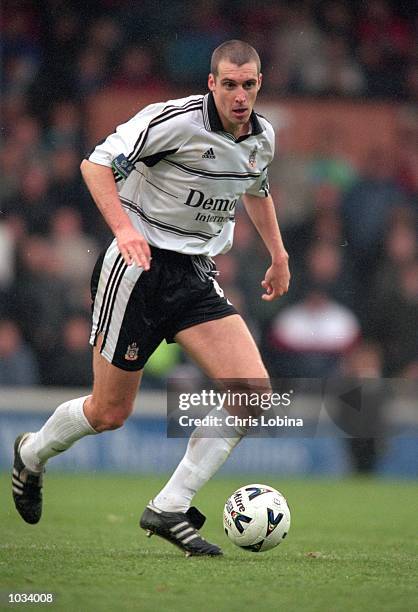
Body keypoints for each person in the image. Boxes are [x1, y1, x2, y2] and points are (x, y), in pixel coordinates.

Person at [12, 40, 290, 556]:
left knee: (252, 395)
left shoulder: (260, 137)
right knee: (109, 411)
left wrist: (279, 254)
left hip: (193, 275)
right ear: (212, 83)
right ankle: (31, 453)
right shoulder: (173, 121)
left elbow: (257, 186)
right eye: (228, 84)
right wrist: (125, 231)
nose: (239, 95)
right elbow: (95, 166)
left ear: (258, 85)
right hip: (137, 268)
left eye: (248, 85)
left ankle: (169, 506)